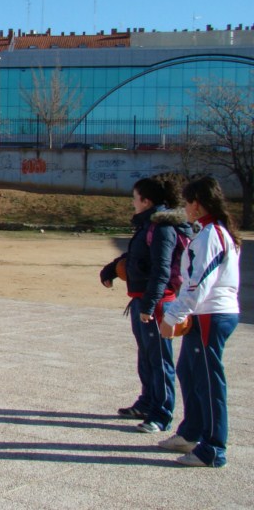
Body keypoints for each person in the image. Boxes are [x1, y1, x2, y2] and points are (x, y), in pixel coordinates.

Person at [159, 176, 241, 468]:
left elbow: (199, 283)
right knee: (189, 371)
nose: (184, 207)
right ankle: (191, 432)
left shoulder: (210, 236)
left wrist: (173, 316)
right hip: (206, 314)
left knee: (208, 381)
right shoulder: (211, 232)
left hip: (211, 314)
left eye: (187, 201)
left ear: (197, 204)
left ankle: (213, 448)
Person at [100, 176, 192, 434]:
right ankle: (146, 402)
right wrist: (112, 270)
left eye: (135, 198)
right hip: (143, 298)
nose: (133, 203)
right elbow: (137, 257)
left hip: (158, 302)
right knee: (147, 355)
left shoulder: (162, 228)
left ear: (147, 201)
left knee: (160, 359)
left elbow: (162, 270)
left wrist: (150, 306)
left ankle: (162, 414)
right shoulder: (149, 225)